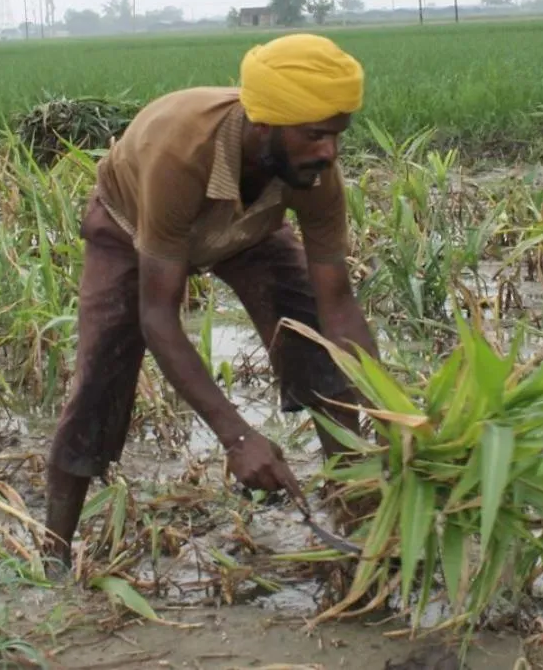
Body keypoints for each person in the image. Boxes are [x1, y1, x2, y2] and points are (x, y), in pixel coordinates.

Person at [43, 32, 380, 564]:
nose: (329, 152)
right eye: (316, 135)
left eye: (337, 135)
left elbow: (338, 306)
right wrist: (236, 437)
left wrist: (390, 416)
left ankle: (357, 519)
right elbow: (159, 317)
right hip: (133, 229)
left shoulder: (312, 173)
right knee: (100, 382)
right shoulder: (179, 153)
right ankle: (54, 555)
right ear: (265, 124)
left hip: (249, 229)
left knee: (314, 343)